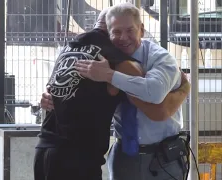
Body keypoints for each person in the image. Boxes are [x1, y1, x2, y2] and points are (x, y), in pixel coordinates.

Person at [35, 6, 190, 180]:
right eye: (115, 31)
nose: (123, 37)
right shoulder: (102, 59)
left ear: (142, 30)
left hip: (161, 158)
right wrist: (52, 97)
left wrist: (110, 76)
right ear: (107, 32)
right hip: (117, 155)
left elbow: (157, 106)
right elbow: (58, 91)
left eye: (129, 30)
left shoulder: (159, 58)